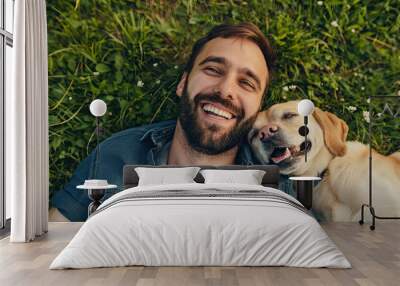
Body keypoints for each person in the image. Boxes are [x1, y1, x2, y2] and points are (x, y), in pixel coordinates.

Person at [50, 22, 276, 221]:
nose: (225, 90)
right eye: (213, 69)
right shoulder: (116, 155)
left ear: (258, 109)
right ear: (182, 83)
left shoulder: (277, 185)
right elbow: (57, 227)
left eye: (247, 83)